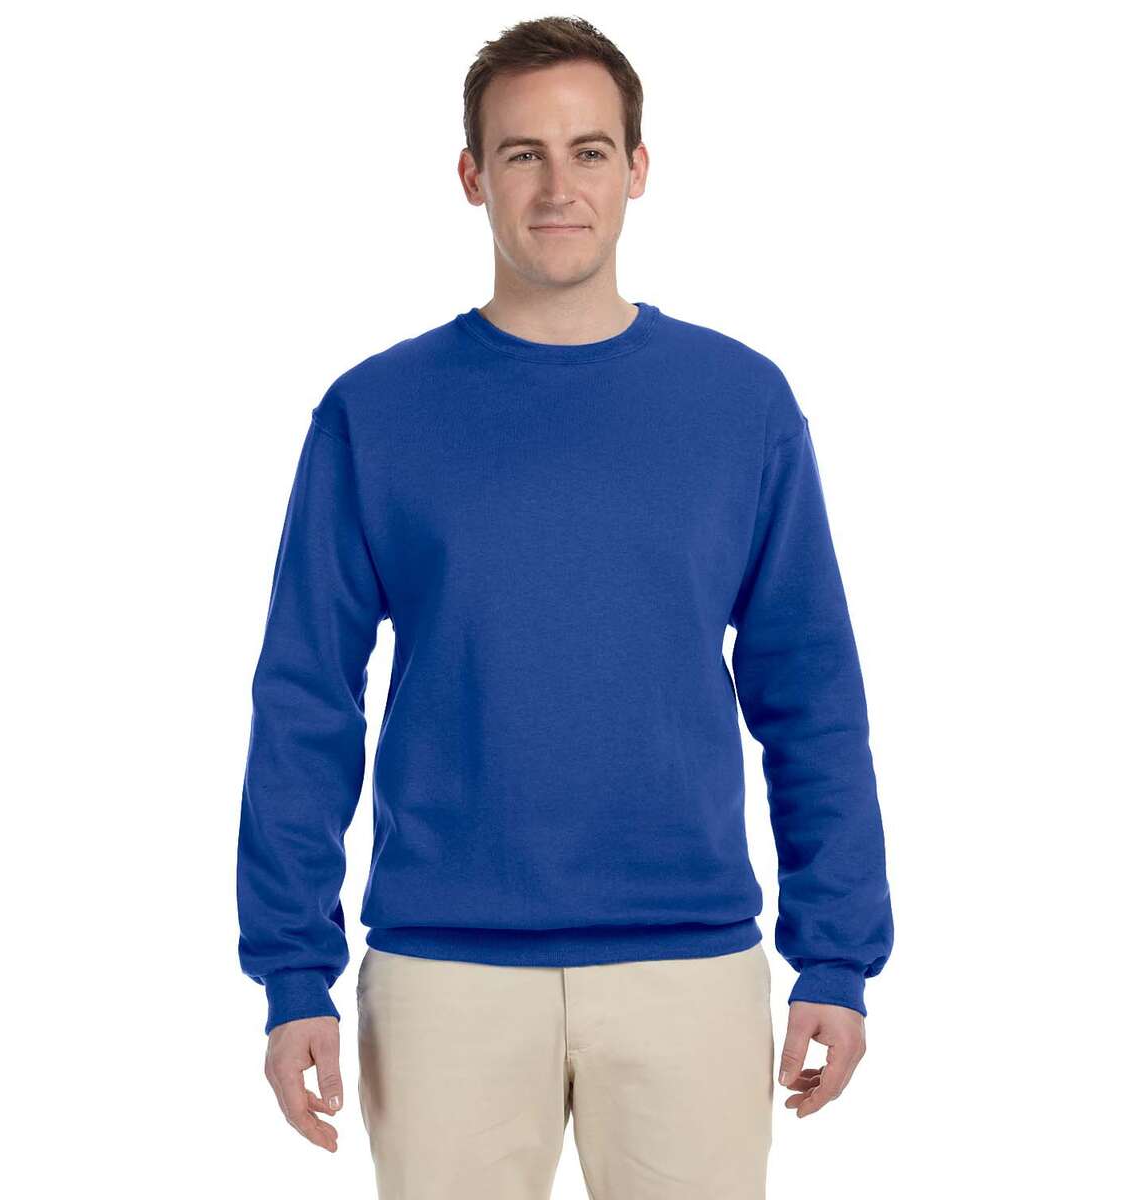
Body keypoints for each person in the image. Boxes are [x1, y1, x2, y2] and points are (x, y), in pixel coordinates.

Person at [236, 15, 893, 1197]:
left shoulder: (741, 405)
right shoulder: (374, 414)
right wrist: (294, 976)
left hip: (690, 966)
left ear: (637, 170)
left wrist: (836, 957)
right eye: (523, 154)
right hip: (443, 976)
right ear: (472, 175)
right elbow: (305, 702)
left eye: (589, 151)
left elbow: (811, 696)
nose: (558, 187)